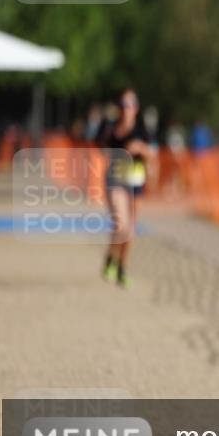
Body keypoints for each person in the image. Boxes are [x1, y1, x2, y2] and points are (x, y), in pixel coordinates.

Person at [96, 88, 152, 288]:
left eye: (131, 104)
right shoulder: (111, 127)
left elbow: (152, 152)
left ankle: (121, 266)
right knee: (121, 225)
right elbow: (100, 148)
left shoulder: (142, 128)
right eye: (124, 104)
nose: (128, 108)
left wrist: (140, 148)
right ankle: (111, 257)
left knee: (130, 230)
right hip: (116, 178)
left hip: (136, 179)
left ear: (136, 108)